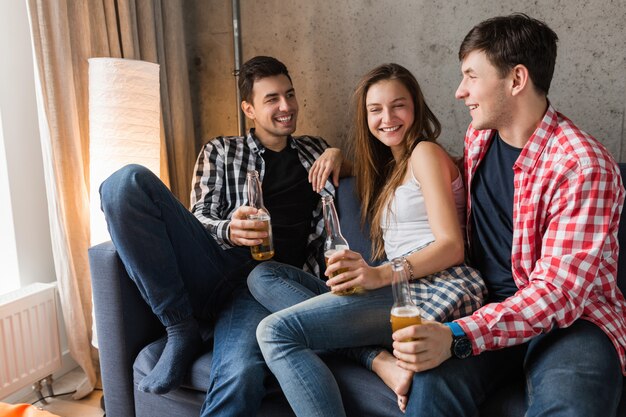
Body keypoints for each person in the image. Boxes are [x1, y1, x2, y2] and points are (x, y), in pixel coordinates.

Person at [392, 14, 626, 417]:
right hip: (490, 306)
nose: (459, 91)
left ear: (516, 80)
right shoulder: (479, 135)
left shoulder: (583, 166)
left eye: (471, 76)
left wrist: (458, 334)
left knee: (571, 408)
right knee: (429, 389)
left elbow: (557, 294)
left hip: (574, 323)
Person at [99, 56, 346, 417]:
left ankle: (202, 333)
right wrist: (230, 229)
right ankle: (179, 326)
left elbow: (363, 173)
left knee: (241, 375)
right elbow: (199, 217)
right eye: (272, 99)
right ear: (249, 109)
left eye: (289, 95)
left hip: (265, 288)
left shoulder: (314, 150)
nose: (286, 107)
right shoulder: (221, 150)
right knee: (124, 183)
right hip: (215, 267)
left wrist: (340, 154)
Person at [247, 63, 486, 417]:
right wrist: (335, 154)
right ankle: (375, 358)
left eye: (398, 105)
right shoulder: (393, 167)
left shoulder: (425, 154)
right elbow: (356, 168)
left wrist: (378, 274)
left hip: (435, 284)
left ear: (416, 107)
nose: (387, 117)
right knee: (262, 276)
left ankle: (372, 357)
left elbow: (452, 246)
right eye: (375, 110)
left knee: (275, 332)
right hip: (401, 285)